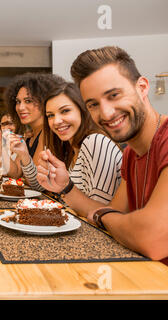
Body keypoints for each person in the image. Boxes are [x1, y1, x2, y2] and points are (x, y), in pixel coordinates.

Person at [37, 46, 168, 262]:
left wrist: (106, 217)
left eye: (114, 95)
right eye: (93, 104)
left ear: (142, 87)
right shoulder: (131, 155)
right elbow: (110, 212)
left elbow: (151, 237)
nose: (106, 113)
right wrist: (65, 187)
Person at [39, 81, 122, 212]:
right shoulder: (70, 150)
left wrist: (65, 188)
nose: (56, 121)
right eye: (50, 115)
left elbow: (103, 214)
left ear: (83, 110)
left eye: (65, 111)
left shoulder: (95, 141)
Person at [3, 73, 65, 181]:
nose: (20, 107)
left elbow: (38, 182)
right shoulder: (30, 136)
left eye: (28, 101)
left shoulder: (48, 133)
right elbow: (16, 172)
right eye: (18, 102)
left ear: (44, 102)